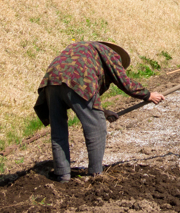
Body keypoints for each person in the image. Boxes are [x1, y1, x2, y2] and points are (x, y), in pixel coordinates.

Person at [33, 41, 165, 181]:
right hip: (77, 79)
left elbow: (84, 101)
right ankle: (96, 174)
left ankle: (62, 174)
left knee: (58, 130)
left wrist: (103, 111)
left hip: (51, 81)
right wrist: (147, 95)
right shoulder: (110, 54)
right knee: (97, 126)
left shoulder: (84, 50)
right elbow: (123, 81)